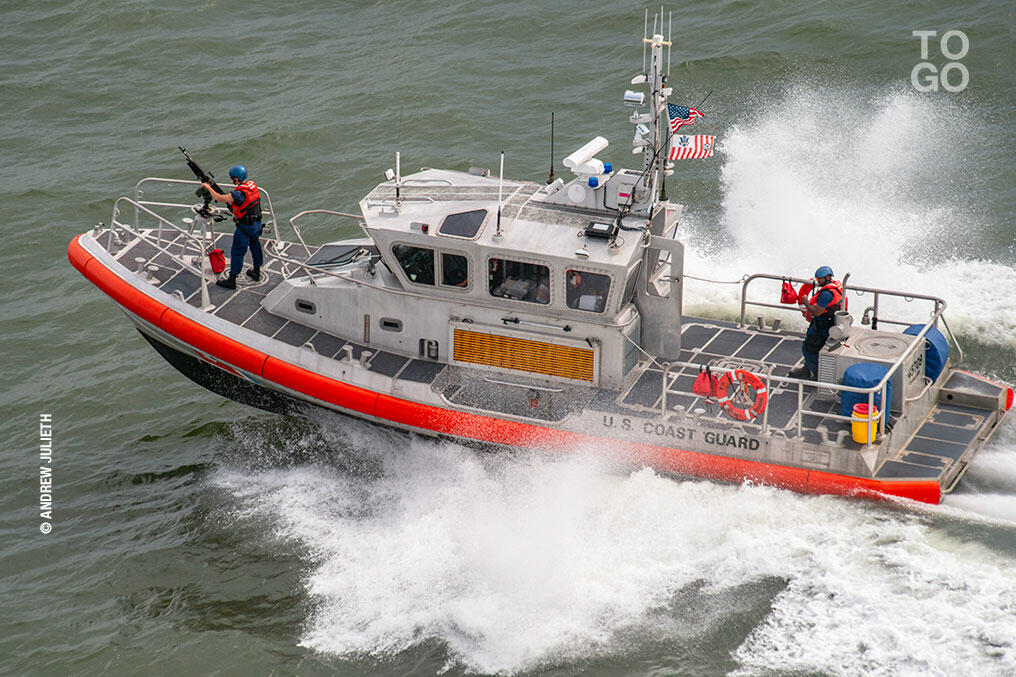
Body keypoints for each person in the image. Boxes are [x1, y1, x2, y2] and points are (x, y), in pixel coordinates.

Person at [202, 165, 263, 289]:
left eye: (232, 178)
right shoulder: (251, 186)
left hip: (245, 227)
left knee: (237, 253)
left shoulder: (239, 194)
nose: (232, 180)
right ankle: (256, 272)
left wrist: (208, 187)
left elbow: (219, 198)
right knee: (255, 247)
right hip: (256, 225)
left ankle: (231, 280)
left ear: (236, 178)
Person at [789, 265, 844, 380]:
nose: (818, 281)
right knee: (815, 349)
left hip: (822, 327)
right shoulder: (834, 288)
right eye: (817, 278)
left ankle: (816, 374)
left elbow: (818, 312)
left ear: (828, 277)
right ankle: (807, 369)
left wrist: (806, 302)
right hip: (828, 324)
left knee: (809, 349)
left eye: (820, 279)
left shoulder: (826, 294)